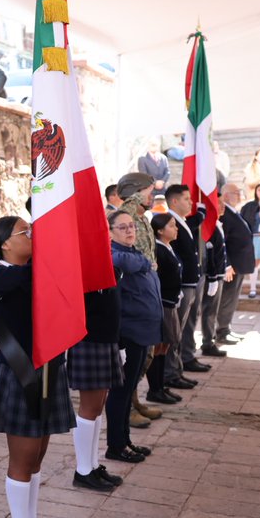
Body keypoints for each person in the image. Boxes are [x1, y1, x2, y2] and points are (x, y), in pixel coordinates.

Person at [0, 217, 76, 518]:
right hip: (21, 374)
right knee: (22, 460)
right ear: (5, 243)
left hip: (48, 369)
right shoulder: (2, 275)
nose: (32, 236)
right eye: (26, 232)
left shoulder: (31, 269)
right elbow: (34, 276)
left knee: (37, 458)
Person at [66, 233, 125, 493]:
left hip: (106, 340)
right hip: (89, 342)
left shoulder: (104, 265)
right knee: (89, 408)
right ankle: (83, 469)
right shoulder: (78, 267)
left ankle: (92, 464)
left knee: (98, 406)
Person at [105, 211, 162, 462]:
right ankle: (116, 446)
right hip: (129, 333)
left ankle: (125, 440)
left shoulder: (133, 251)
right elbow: (119, 261)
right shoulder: (115, 254)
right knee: (121, 391)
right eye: (122, 227)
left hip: (143, 330)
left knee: (129, 390)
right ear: (110, 232)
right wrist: (145, 264)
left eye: (132, 227)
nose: (130, 231)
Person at [117, 174, 164, 428]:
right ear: (135, 192)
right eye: (149, 191)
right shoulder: (126, 218)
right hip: (133, 296)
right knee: (133, 358)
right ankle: (125, 408)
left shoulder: (141, 217)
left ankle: (134, 400)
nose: (153, 195)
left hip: (146, 292)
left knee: (145, 355)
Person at [163, 185, 205, 391]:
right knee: (174, 331)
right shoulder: (168, 223)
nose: (190, 202)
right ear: (174, 202)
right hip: (181, 284)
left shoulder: (182, 221)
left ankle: (177, 368)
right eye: (187, 199)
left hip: (190, 281)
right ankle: (170, 372)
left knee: (183, 329)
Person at [148, 212, 182, 404]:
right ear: (160, 231)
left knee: (166, 344)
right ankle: (155, 389)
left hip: (171, 301)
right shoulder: (158, 250)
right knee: (159, 346)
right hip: (163, 303)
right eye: (171, 225)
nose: (175, 228)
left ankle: (160, 386)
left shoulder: (168, 247)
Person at [217, 182, 253, 344]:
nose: (240, 195)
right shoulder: (224, 214)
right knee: (227, 298)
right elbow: (221, 242)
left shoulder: (233, 212)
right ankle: (221, 331)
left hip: (239, 263)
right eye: (236, 192)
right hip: (232, 265)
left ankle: (226, 328)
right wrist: (227, 264)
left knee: (232, 298)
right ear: (226, 196)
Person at [198, 203, 228, 356]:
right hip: (213, 274)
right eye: (219, 205)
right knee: (209, 310)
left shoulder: (218, 224)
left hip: (219, 272)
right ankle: (207, 343)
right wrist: (213, 276)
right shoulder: (210, 226)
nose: (222, 207)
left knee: (212, 310)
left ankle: (209, 339)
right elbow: (210, 253)